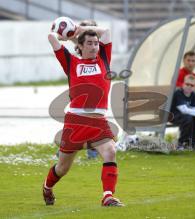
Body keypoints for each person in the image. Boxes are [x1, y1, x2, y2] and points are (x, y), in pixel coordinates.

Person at [43, 22, 124, 207]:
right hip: (75, 122)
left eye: (96, 43)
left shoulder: (104, 58)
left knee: (110, 151)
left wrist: (79, 29)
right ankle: (47, 187)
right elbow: (51, 37)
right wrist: (65, 35)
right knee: (62, 168)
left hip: (98, 121)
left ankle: (108, 196)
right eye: (89, 43)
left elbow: (107, 31)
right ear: (79, 46)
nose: (94, 46)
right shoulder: (72, 61)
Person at [171, 74, 195, 151]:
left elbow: (194, 108)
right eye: (187, 84)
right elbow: (183, 109)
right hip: (173, 115)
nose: (189, 86)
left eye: (192, 85)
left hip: (183, 116)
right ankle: (180, 143)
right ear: (183, 84)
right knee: (188, 118)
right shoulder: (179, 93)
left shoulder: (193, 94)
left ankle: (192, 143)